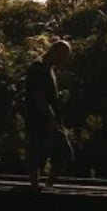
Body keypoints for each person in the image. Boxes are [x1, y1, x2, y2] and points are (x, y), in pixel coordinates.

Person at [23, 39, 74, 190]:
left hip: (51, 119)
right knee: (38, 154)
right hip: (40, 120)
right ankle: (35, 187)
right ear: (55, 51)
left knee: (63, 154)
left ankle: (46, 186)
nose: (64, 60)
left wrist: (58, 97)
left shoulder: (48, 68)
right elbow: (38, 96)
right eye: (63, 56)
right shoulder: (38, 67)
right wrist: (50, 118)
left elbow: (46, 94)